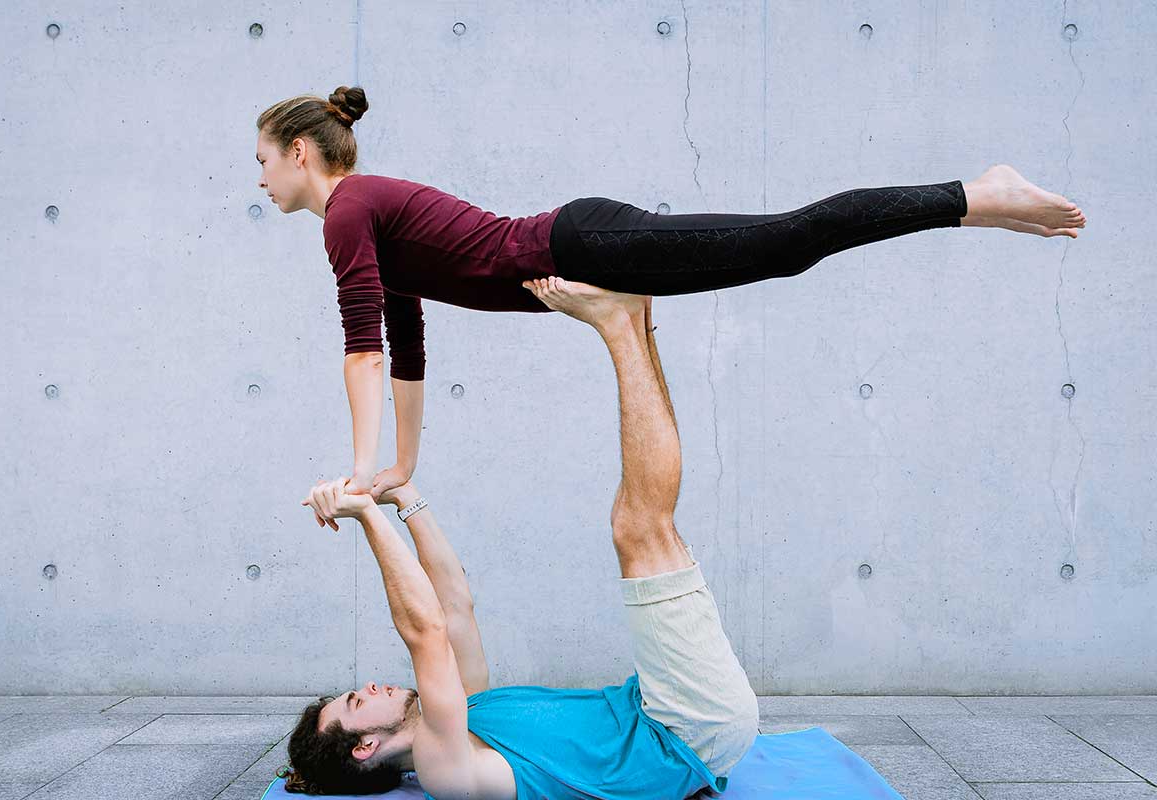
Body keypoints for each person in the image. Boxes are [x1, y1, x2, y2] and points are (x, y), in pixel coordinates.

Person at [255, 86, 1087, 510]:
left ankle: (978, 194)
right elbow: (402, 344)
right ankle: (976, 198)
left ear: (300, 152)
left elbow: (360, 349)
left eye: (264, 161)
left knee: (787, 240)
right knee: (785, 251)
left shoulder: (349, 208)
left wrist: (361, 474)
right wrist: (400, 466)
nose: (259, 178)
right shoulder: (360, 215)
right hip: (587, 254)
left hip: (583, 244)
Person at [289, 281, 761, 798]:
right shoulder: (444, 768)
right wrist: (364, 517)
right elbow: (423, 632)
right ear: (366, 748)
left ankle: (637, 312)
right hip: (685, 730)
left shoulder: (466, 713)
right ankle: (617, 324)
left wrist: (406, 499)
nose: (371, 685)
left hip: (658, 708)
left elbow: (453, 608)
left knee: (641, 525)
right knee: (639, 529)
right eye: (357, 701)